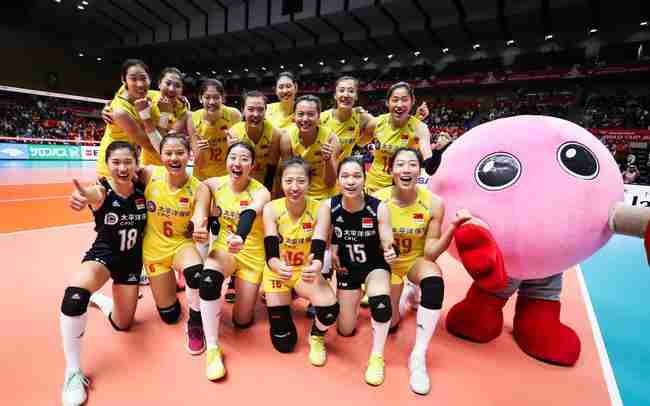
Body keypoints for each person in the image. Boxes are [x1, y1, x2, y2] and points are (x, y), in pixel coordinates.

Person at [373, 147, 472, 395]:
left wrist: (453, 227)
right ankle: (405, 295)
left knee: (434, 281)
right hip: (387, 266)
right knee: (391, 323)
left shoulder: (434, 203)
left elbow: (430, 253)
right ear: (391, 170)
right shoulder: (377, 200)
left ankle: (418, 356)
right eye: (400, 164)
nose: (406, 169)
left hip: (415, 261)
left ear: (420, 170)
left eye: (412, 164)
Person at [61, 141, 147, 406]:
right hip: (104, 256)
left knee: (123, 325)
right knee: (75, 297)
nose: (122, 168)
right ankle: (73, 372)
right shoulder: (102, 191)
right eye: (116, 162)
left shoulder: (143, 189)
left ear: (136, 164)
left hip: (131, 263)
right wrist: (82, 196)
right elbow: (92, 193)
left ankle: (103, 301)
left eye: (127, 162)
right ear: (107, 165)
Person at [311, 157, 397, 385]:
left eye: (357, 176)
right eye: (345, 176)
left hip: (374, 266)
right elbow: (319, 235)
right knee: (345, 330)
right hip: (347, 268)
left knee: (381, 304)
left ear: (364, 179)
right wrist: (317, 261)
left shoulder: (378, 207)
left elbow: (387, 238)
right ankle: (355, 298)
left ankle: (377, 357)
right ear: (338, 180)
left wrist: (391, 250)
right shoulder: (329, 206)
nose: (351, 181)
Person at [191, 141, 271, 380]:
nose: (237, 163)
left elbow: (250, 212)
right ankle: (213, 348)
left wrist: (241, 235)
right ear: (226, 161)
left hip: (251, 253)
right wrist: (199, 221)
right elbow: (201, 193)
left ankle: (231, 293)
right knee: (208, 281)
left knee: (242, 321)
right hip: (225, 248)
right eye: (233, 157)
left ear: (252, 166)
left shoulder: (261, 192)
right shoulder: (215, 184)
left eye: (244, 159)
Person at [262, 156, 340, 366]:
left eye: (300, 181)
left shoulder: (320, 209)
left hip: (304, 271)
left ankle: (317, 336)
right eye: (288, 181)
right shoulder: (271, 208)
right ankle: (278, 294)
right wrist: (277, 266)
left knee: (330, 310)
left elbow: (319, 244)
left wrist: (315, 266)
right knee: (284, 343)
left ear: (309, 182)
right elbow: (270, 252)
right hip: (277, 271)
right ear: (281, 182)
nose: (294, 187)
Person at [139, 134, 206, 353]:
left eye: (180, 153)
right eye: (168, 153)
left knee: (196, 273)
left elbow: (200, 214)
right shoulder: (149, 174)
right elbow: (120, 177)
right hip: (153, 252)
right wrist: (97, 191)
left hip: (181, 246)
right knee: (170, 315)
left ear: (189, 155)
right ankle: (170, 288)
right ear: (161, 155)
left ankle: (195, 322)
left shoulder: (199, 188)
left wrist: (199, 226)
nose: (174, 158)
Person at [365, 82, 441, 194]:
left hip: (402, 190)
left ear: (412, 102)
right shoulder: (375, 123)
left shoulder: (420, 128)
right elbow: (360, 142)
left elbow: (429, 166)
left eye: (404, 100)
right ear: (387, 102)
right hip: (373, 188)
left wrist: (439, 150)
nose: (399, 105)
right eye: (395, 100)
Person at [96, 59, 158, 178]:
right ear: (124, 80)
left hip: (128, 162)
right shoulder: (120, 112)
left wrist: (179, 100)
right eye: (133, 79)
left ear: (149, 79)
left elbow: (163, 93)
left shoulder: (127, 91)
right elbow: (149, 146)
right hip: (112, 168)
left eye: (143, 78)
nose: (140, 84)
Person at [188, 78, 242, 181]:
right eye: (207, 97)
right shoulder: (193, 119)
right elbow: (198, 162)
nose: (212, 102)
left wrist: (235, 145)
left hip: (227, 176)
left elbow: (241, 152)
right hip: (202, 176)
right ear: (200, 98)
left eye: (216, 97)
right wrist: (201, 150)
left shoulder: (234, 115)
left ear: (223, 98)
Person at [227, 90, 282, 191]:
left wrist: (265, 193)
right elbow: (233, 168)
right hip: (242, 184)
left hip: (266, 185)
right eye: (250, 109)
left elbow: (271, 170)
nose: (256, 114)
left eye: (260, 109)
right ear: (243, 110)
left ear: (266, 110)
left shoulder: (275, 134)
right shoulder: (234, 133)